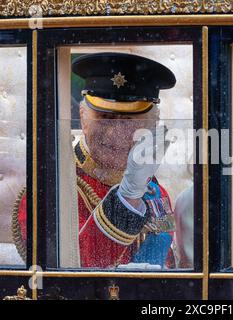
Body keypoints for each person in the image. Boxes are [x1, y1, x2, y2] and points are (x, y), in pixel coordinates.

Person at [15, 52, 177, 269]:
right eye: (105, 118)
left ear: (153, 127)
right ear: (83, 118)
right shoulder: (48, 191)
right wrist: (127, 199)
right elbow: (69, 272)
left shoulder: (156, 192)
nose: (115, 134)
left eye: (129, 121)